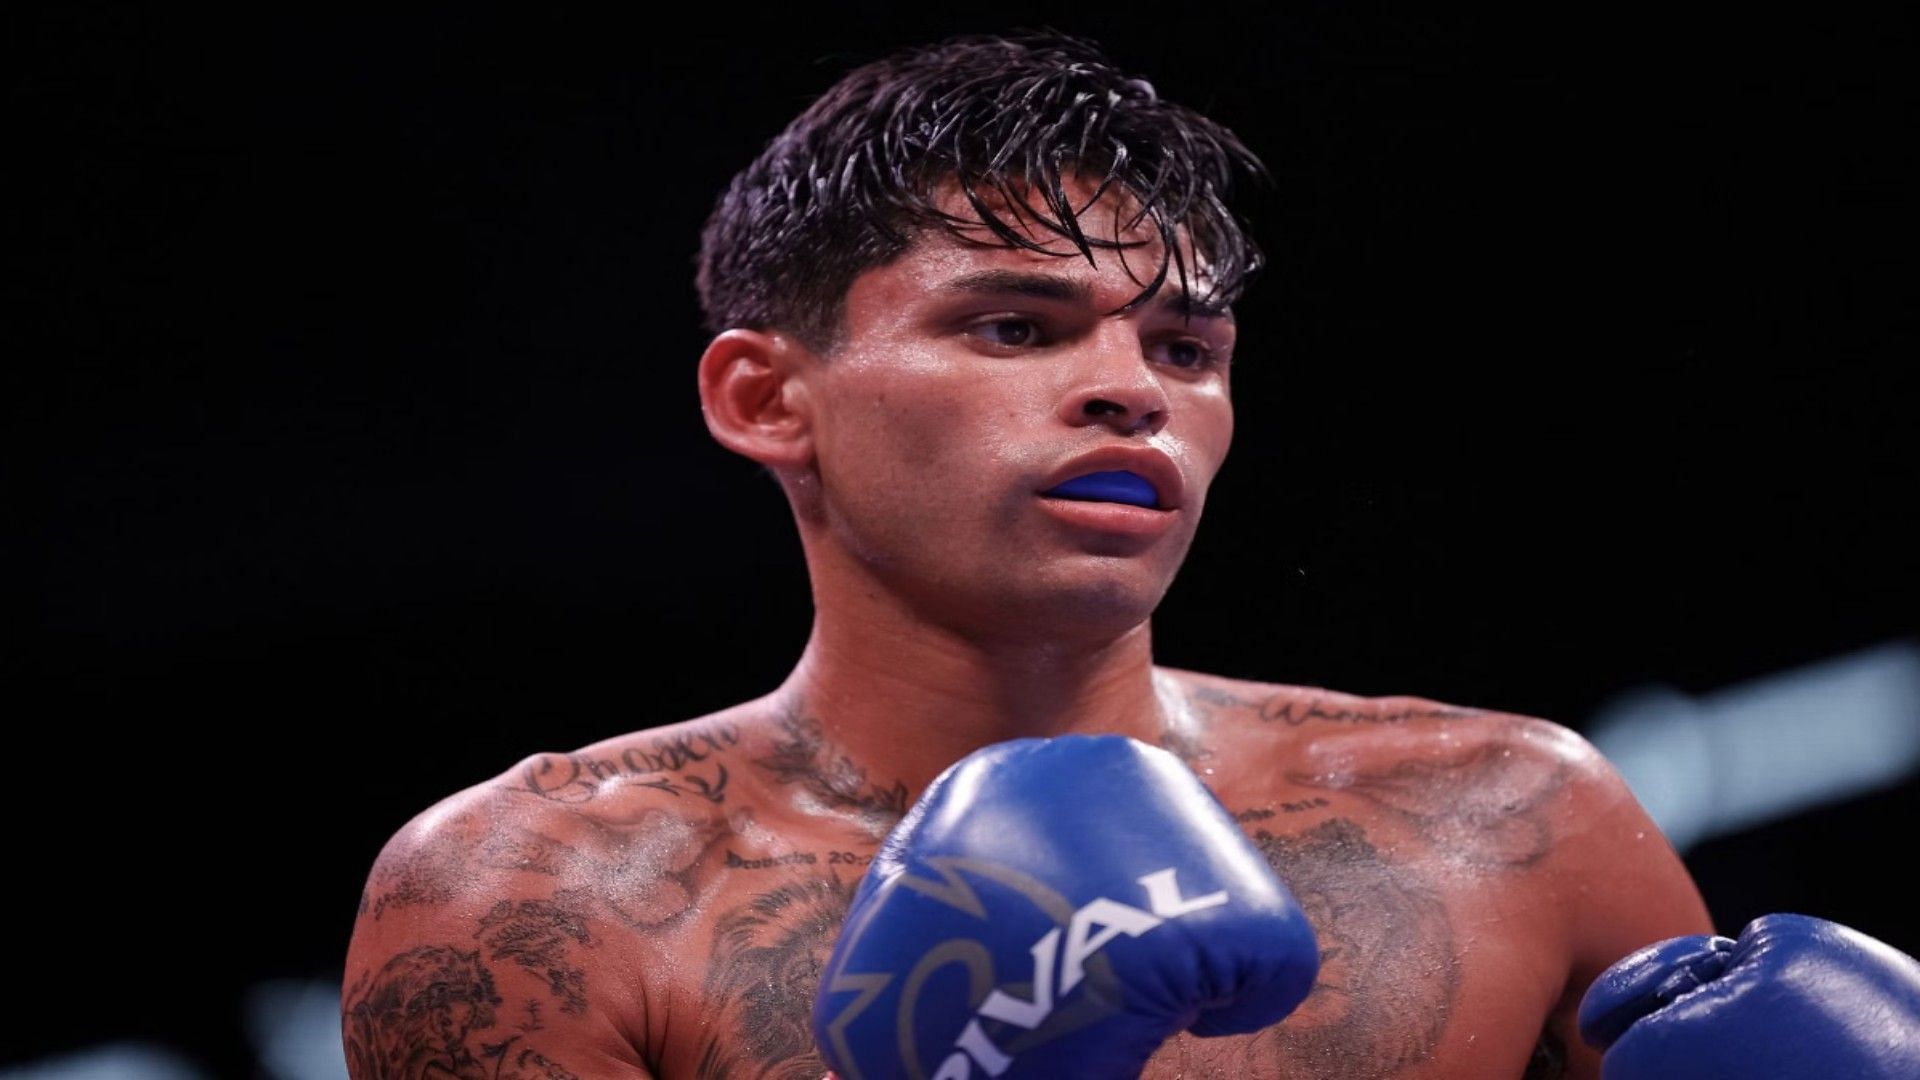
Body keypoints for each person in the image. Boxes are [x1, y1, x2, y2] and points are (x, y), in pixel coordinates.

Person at [340, 32, 1914, 1079]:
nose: (1129, 388)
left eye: (1187, 345)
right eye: (1012, 325)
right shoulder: (546, 896)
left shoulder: (1515, 819)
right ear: (766, 398)